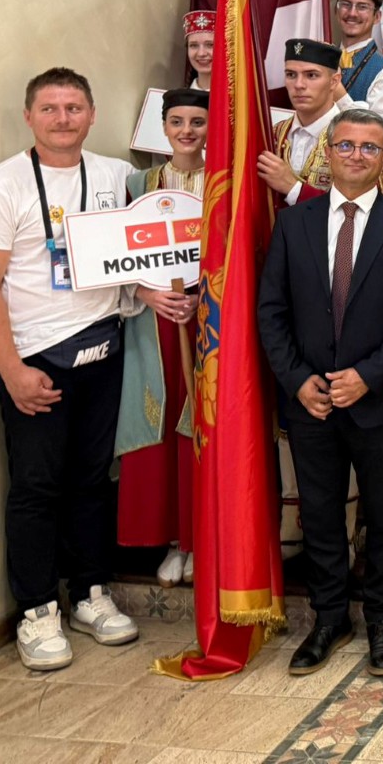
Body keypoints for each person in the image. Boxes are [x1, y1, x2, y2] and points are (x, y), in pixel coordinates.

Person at [0, 68, 145, 670]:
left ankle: (90, 592)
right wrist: (12, 368)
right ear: (29, 117)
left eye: (73, 107)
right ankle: (37, 609)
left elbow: (137, 253)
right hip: (34, 359)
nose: (62, 118)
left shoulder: (117, 176)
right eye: (49, 108)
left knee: (93, 479)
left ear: (91, 114)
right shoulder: (0, 187)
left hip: (103, 349)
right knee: (36, 486)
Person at [258, 109, 383, 678]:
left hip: (377, 400)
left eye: (368, 147)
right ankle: (330, 617)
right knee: (320, 514)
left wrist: (368, 375)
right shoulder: (293, 224)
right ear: (329, 153)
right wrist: (297, 380)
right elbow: (271, 312)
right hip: (310, 401)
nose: (356, 155)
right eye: (346, 145)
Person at [116, 88, 208, 587]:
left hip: (208, 319)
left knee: (200, 423)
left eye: (197, 121)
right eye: (177, 121)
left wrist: (205, 298)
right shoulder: (138, 185)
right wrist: (147, 294)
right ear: (163, 126)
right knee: (163, 416)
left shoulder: (222, 183)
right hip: (153, 322)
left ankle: (201, 539)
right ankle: (174, 540)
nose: (187, 131)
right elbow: (115, 256)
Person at [259, 39, 348, 206]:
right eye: (291, 75)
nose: (298, 85)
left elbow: (361, 212)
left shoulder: (356, 139)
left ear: (334, 81)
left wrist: (293, 188)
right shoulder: (273, 134)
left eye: (311, 75)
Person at [182, 10, 214, 90]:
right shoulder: (176, 97)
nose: (201, 53)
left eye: (210, 45)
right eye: (194, 45)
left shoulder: (240, 96)